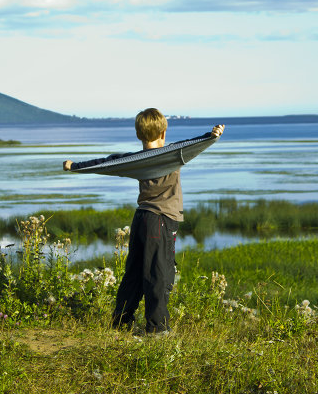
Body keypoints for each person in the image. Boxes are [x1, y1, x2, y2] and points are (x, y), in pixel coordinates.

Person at [65, 109, 224, 334]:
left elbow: (106, 163)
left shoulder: (135, 160)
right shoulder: (173, 153)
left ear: (139, 134)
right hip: (160, 221)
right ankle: (157, 329)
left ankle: (120, 323)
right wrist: (212, 136)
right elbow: (192, 144)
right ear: (163, 131)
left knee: (135, 273)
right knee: (159, 274)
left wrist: (75, 166)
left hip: (141, 218)